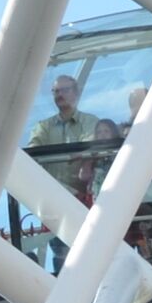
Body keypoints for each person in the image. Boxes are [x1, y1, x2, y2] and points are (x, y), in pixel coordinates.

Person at [31, 72, 121, 204]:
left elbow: (90, 145)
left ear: (76, 93)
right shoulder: (43, 127)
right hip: (53, 198)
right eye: (56, 91)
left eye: (65, 90)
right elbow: (32, 152)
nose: (60, 95)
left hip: (87, 198)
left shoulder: (91, 122)